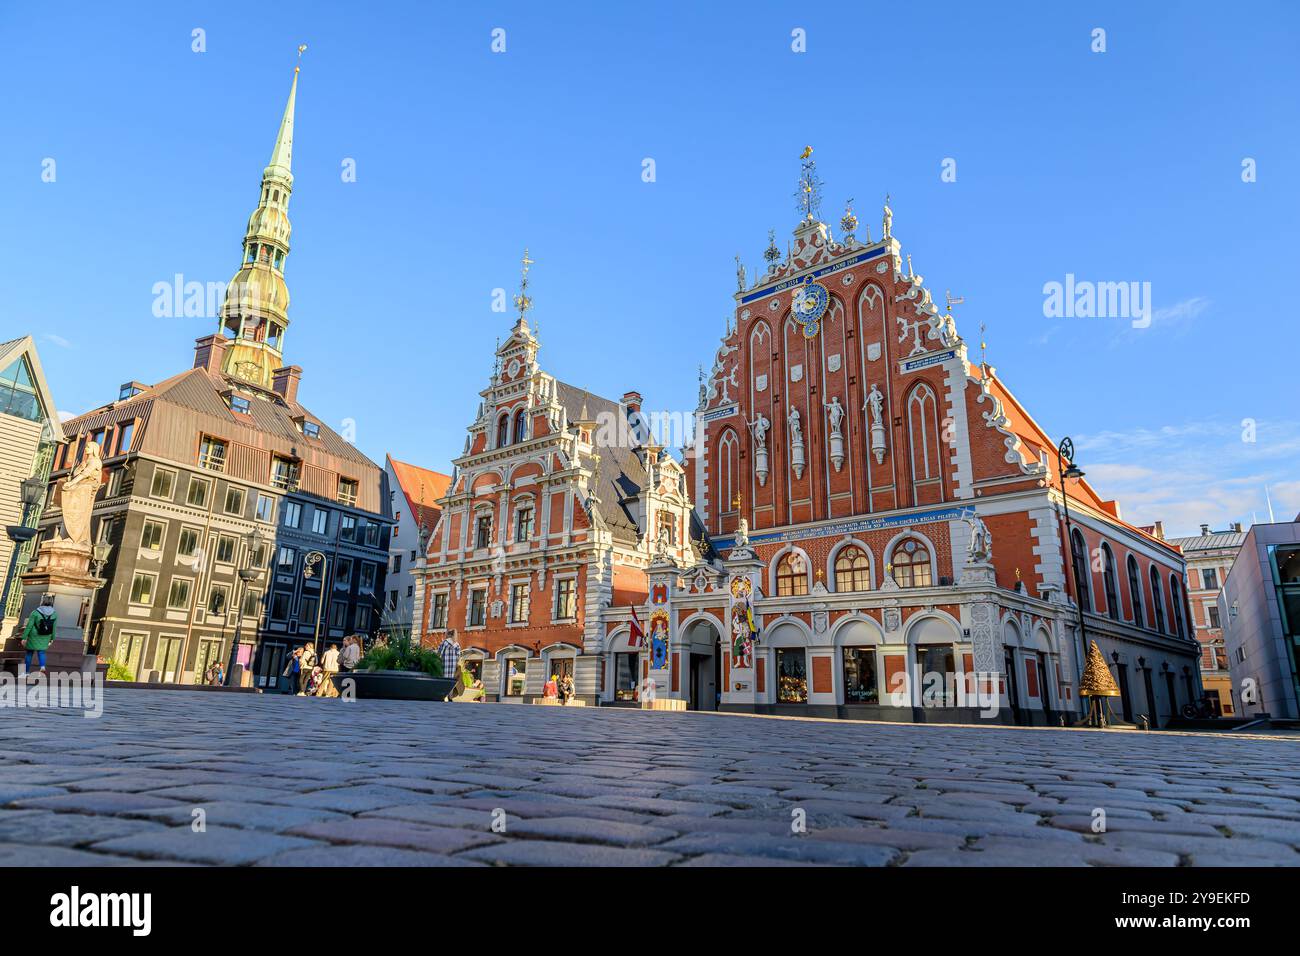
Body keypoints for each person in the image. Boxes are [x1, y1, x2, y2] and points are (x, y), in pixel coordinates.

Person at [21, 595, 56, 679]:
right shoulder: (54, 614)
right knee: (42, 652)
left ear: (42, 601)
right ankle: (42, 666)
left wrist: (24, 637)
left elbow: (29, 626)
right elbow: (54, 627)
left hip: (34, 635)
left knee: (29, 653)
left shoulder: (35, 612)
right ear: (51, 602)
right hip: (46, 635)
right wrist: (52, 638)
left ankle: (26, 672)